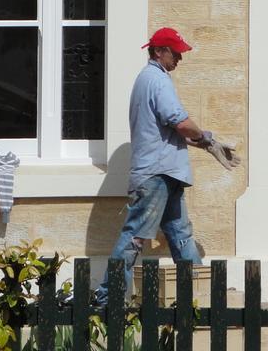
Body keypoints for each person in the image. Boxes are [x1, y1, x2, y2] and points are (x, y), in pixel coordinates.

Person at [91, 26, 238, 307]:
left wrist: (206, 143)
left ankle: (201, 293)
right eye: (175, 53)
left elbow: (169, 131)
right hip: (157, 175)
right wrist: (206, 138)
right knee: (135, 235)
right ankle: (107, 297)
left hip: (165, 174)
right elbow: (180, 122)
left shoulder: (148, 79)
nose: (179, 59)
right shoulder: (157, 80)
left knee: (181, 234)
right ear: (158, 51)